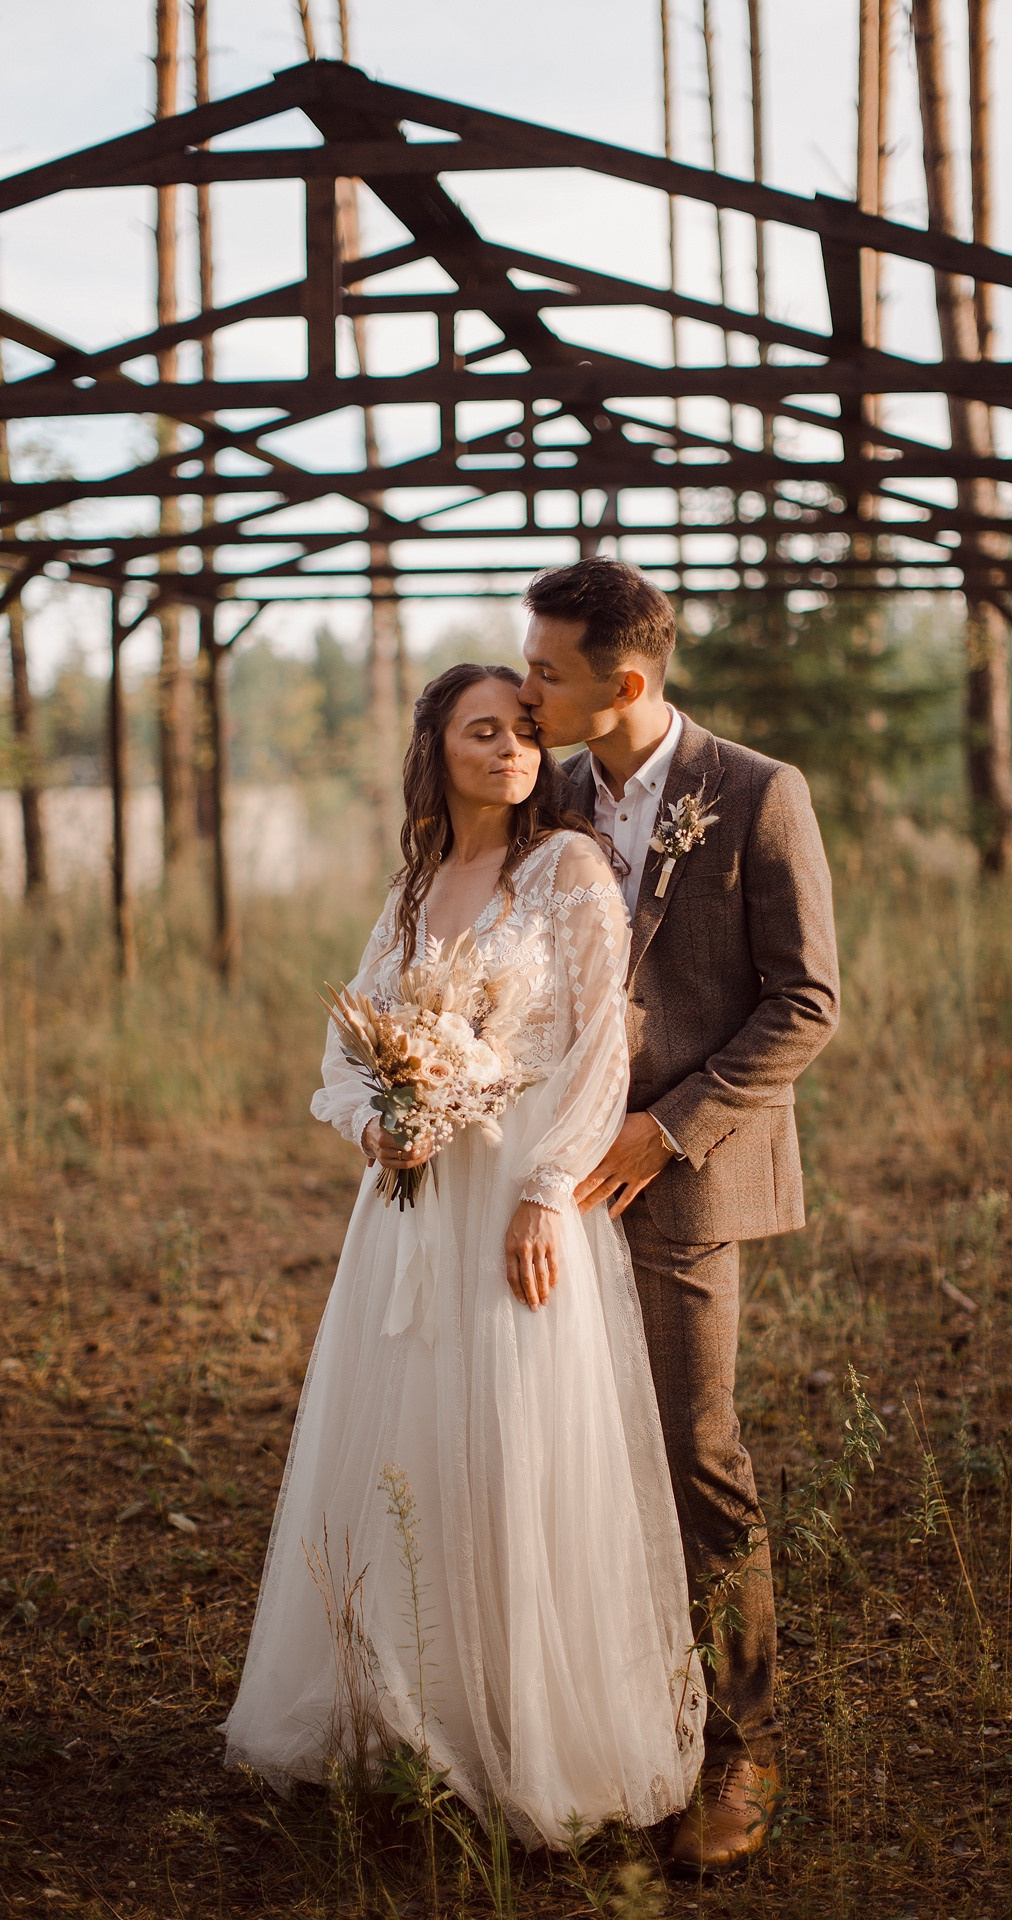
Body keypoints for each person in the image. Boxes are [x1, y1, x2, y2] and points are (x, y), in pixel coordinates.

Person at [223, 662, 705, 1849]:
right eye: (480, 732)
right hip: (408, 1203)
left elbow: (603, 1047)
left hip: (521, 1199)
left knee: (511, 1439)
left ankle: (522, 1723)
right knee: (405, 1443)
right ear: (433, 745)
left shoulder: (569, 870)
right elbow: (346, 1053)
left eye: (522, 731)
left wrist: (547, 1191)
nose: (508, 750)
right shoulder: (411, 887)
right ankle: (404, 1714)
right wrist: (384, 1119)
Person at [518, 558, 840, 1869]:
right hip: (548, 1173)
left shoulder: (761, 797)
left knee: (695, 1448)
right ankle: (591, 1720)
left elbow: (805, 1003)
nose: (526, 688)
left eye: (547, 671)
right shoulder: (540, 789)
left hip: (685, 1180)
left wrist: (673, 1126)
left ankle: (737, 1746)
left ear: (626, 683)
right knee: (565, 1453)